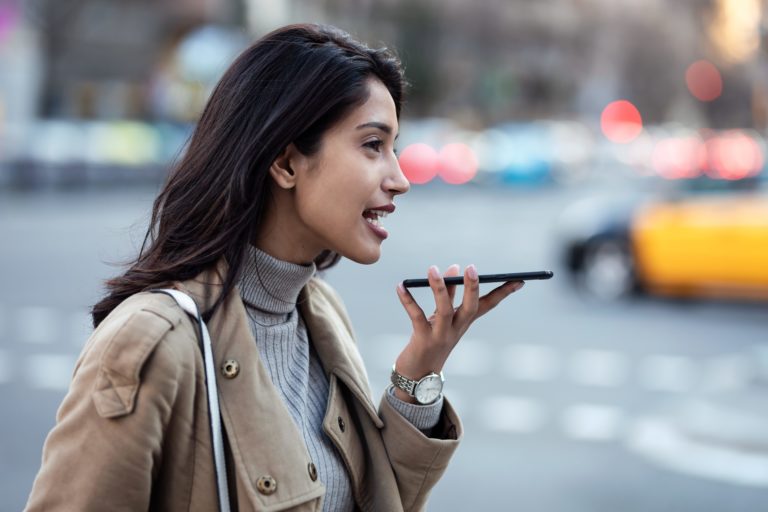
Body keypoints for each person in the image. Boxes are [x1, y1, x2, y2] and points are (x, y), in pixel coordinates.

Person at [25, 23, 524, 511]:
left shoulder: (320, 313)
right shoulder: (151, 342)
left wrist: (421, 370)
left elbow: (366, 498)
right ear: (286, 163)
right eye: (374, 145)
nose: (399, 178)